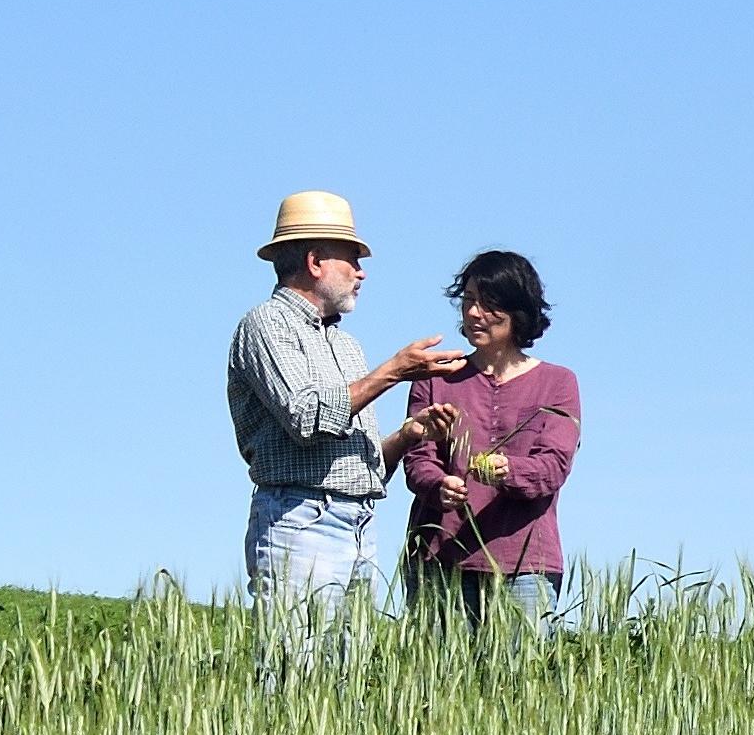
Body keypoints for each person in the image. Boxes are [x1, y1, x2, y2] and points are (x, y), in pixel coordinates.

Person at [227, 190, 463, 626]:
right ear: (315, 262)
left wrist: (408, 436)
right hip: (299, 521)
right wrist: (393, 371)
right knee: (295, 672)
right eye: (352, 258)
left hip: (358, 524)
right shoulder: (265, 324)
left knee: (341, 683)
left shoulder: (346, 345)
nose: (361, 273)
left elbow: (363, 467)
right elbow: (307, 419)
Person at [391, 250, 582, 634]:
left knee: (515, 687)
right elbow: (417, 458)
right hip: (438, 560)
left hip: (525, 566)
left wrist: (507, 471)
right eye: (468, 302)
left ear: (518, 312)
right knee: (437, 686)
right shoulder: (435, 377)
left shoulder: (558, 383)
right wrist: (437, 484)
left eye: (489, 304)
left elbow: (553, 467)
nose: (474, 313)